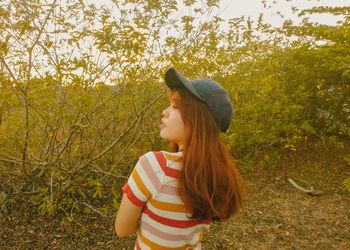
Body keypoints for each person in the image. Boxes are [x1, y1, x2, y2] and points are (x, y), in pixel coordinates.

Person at [115, 67, 243, 249]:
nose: (165, 112)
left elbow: (122, 230)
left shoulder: (154, 166)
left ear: (196, 120)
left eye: (174, 107)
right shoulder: (218, 173)